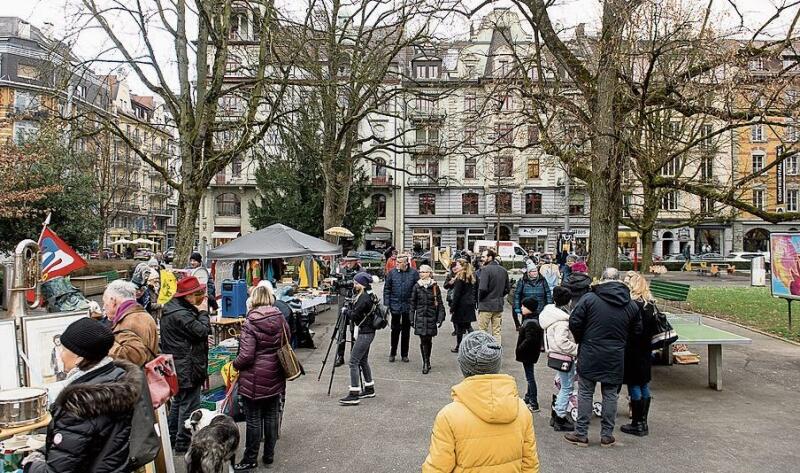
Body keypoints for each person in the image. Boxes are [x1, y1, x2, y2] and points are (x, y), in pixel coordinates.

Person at [22, 318, 142, 473]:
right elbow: (78, 444)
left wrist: (30, 465)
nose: (60, 354)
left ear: (79, 357)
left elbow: (58, 470)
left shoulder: (79, 404)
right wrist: (45, 450)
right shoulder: (116, 378)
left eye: (64, 349)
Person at [421, 331, 540, 473]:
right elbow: (529, 464)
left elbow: (437, 468)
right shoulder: (521, 409)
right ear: (496, 364)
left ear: (463, 366)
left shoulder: (448, 416)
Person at [565, 268, 642, 448]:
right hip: (615, 354)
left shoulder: (589, 299)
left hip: (590, 351)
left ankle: (581, 433)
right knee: (610, 395)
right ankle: (607, 435)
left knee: (585, 392)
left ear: (602, 279)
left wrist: (581, 338)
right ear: (619, 280)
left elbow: (574, 321)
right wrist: (622, 343)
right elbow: (637, 331)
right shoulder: (630, 304)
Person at [232, 286, 290, 471]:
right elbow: (287, 339)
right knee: (272, 415)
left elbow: (247, 355)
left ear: (253, 299)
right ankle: (269, 455)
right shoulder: (280, 317)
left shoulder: (251, 322)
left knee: (254, 419)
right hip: (275, 373)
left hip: (255, 377)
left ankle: (250, 458)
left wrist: (235, 364)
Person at [160, 276, 211, 453]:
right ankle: (182, 443)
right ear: (187, 296)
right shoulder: (182, 314)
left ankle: (171, 438)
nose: (201, 297)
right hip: (187, 367)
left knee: (179, 403)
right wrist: (204, 312)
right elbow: (202, 331)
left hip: (178, 365)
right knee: (189, 405)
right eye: (198, 294)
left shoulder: (173, 309)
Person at [621, 272, 658, 437]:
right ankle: (643, 421)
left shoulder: (632, 305)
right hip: (646, 348)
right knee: (644, 383)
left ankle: (637, 422)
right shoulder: (650, 305)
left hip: (632, 348)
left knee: (634, 384)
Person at [539, 286, 577, 432]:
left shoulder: (549, 315)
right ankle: (560, 416)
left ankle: (557, 413)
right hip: (564, 356)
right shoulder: (562, 321)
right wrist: (576, 349)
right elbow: (562, 342)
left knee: (563, 384)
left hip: (555, 354)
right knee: (567, 387)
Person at [339, 272, 378, 405]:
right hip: (368, 331)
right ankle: (369, 388)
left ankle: (354, 393)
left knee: (353, 361)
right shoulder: (368, 295)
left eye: (356, 283)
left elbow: (355, 315)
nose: (354, 285)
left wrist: (346, 311)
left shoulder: (363, 298)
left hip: (365, 333)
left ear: (362, 284)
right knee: (362, 360)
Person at [103, 280, 159, 367]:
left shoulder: (130, 321)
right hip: (145, 375)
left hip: (136, 377)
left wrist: (104, 341)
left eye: (105, 303)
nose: (104, 307)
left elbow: (133, 358)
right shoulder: (141, 314)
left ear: (113, 301)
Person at [383, 254, 419, 363]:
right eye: (396, 262)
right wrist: (387, 304)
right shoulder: (392, 273)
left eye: (399, 263)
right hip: (395, 305)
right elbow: (387, 289)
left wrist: (415, 303)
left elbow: (417, 289)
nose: (396, 264)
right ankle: (393, 352)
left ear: (406, 263)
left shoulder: (413, 273)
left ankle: (404, 354)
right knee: (395, 330)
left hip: (408, 305)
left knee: (406, 331)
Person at [410, 264, 446, 374]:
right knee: (422, 339)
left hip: (431, 316)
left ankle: (428, 360)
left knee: (428, 340)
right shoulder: (417, 286)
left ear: (429, 273)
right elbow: (412, 303)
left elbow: (439, 303)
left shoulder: (435, 286)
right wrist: (411, 318)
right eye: (420, 272)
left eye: (424, 272)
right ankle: (425, 362)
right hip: (420, 316)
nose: (421, 274)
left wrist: (440, 318)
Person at [515, 297, 544, 412]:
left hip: (528, 354)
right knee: (529, 376)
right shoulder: (531, 319)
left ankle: (534, 402)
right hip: (530, 353)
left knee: (530, 378)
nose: (521, 308)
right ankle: (528, 397)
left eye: (524, 306)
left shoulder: (530, 322)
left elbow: (530, 339)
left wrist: (520, 349)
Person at [477, 249, 510, 345]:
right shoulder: (503, 270)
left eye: (483, 256)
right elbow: (507, 288)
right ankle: (496, 350)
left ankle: (483, 350)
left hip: (486, 305)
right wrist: (499, 296)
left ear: (490, 257)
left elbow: (482, 288)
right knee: (497, 331)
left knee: (482, 330)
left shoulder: (485, 270)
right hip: (498, 304)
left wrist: (480, 300)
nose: (482, 259)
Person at [446, 258, 477, 353]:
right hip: (469, 304)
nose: (456, 266)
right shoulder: (471, 276)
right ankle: (476, 343)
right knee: (467, 325)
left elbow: (457, 294)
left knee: (459, 328)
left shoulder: (460, 277)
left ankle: (459, 346)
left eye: (458, 265)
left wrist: (452, 307)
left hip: (461, 305)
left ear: (462, 266)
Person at [513, 263, 552, 330]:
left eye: (536, 271)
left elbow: (548, 293)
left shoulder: (542, 280)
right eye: (532, 271)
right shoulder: (522, 280)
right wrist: (517, 308)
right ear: (528, 272)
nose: (535, 273)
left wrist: (549, 306)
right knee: (526, 328)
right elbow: (517, 294)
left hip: (540, 308)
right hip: (527, 309)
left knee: (540, 328)